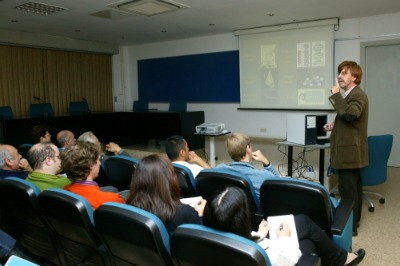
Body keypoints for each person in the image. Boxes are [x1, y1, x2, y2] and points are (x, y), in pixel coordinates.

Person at [203, 187, 365, 266]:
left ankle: (339, 258)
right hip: (278, 258)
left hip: (254, 244)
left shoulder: (205, 241)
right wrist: (284, 239)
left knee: (303, 222)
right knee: (308, 241)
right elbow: (288, 258)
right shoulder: (253, 255)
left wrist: (260, 233)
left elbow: (240, 238)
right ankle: (340, 259)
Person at [324, 61, 368, 236]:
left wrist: (336, 96)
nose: (339, 76)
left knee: (348, 192)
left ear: (355, 77)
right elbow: (350, 119)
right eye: (339, 73)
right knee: (354, 190)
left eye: (344, 73)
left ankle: (350, 227)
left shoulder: (357, 95)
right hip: (350, 152)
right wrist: (335, 125)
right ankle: (354, 221)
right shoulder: (351, 95)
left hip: (349, 153)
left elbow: (350, 114)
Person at [126, 153, 207, 235]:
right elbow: (201, 241)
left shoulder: (131, 208)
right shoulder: (185, 213)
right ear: (169, 180)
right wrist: (200, 215)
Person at [216, 133, 280, 201]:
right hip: (255, 211)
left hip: (230, 210)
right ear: (248, 149)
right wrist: (266, 161)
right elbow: (279, 186)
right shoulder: (264, 176)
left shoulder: (220, 170)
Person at [61, 141, 125, 209]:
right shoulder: (111, 200)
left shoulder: (64, 192)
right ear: (91, 165)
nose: (100, 164)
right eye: (98, 160)